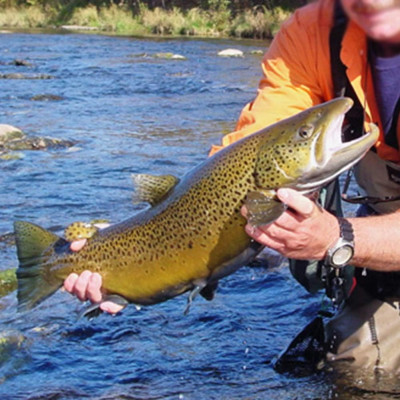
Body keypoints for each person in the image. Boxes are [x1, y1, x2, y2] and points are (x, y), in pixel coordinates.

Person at [64, 0, 400, 375]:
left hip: (371, 236)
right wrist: (121, 261)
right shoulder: (314, 29)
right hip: (381, 224)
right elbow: (254, 143)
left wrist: (337, 238)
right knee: (357, 367)